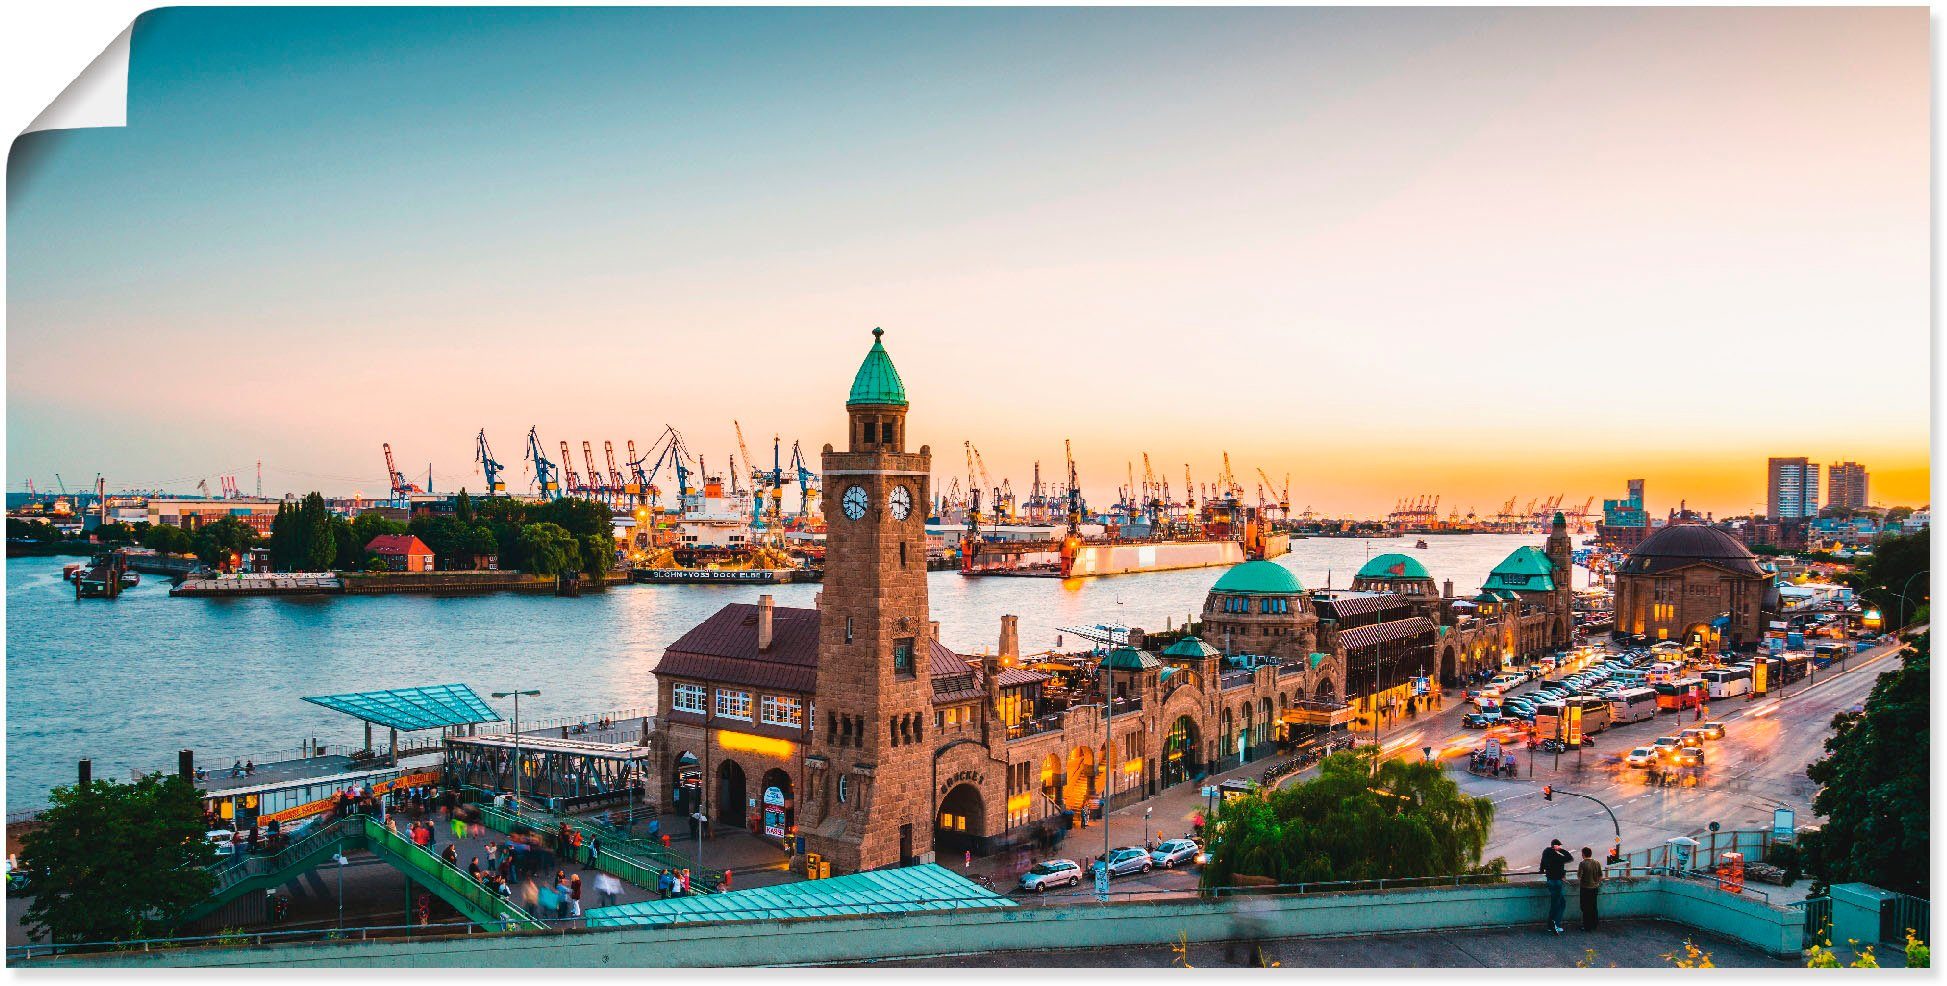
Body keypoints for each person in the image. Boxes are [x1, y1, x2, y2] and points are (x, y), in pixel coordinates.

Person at [1540, 839, 1574, 934]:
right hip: (1557, 881)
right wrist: (1561, 850)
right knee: (1557, 904)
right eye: (1559, 846)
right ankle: (1555, 925)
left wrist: (1542, 869)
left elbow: (1542, 863)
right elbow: (1570, 858)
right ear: (1556, 846)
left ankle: (1552, 925)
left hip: (1550, 880)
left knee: (1558, 902)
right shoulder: (1557, 856)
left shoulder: (1546, 852)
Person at [1577, 846, 1604, 931]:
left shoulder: (1582, 863)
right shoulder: (1597, 863)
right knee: (1593, 906)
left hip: (1585, 888)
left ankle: (1586, 926)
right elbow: (1600, 876)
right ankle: (1594, 924)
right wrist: (1597, 883)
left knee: (1585, 907)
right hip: (1594, 888)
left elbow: (1579, 876)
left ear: (1583, 854)